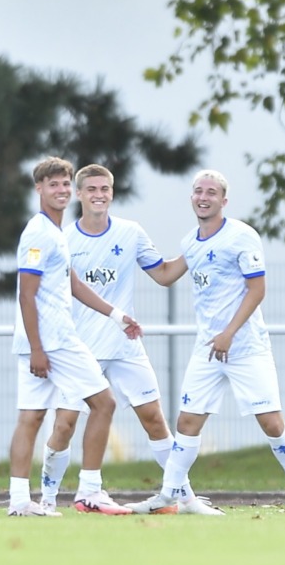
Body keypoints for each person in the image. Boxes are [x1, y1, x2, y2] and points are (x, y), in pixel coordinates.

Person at [125, 169, 285, 515]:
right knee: (187, 423)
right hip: (208, 349)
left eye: (211, 192)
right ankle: (169, 495)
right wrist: (133, 247)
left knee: (271, 423)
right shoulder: (191, 240)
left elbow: (257, 289)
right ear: (192, 198)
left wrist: (229, 333)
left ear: (223, 200)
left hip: (246, 347)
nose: (203, 197)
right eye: (198, 191)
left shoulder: (242, 236)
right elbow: (166, 275)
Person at [42, 164, 221, 515]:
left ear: (112, 192)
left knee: (154, 419)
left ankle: (184, 498)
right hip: (80, 349)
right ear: (79, 195)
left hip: (125, 345)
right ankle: (47, 500)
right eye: (91, 189)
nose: (99, 195)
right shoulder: (63, 239)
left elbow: (165, 274)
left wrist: (198, 248)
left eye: (104, 189)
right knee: (64, 424)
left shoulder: (130, 233)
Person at [7, 156, 143, 517]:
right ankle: (91, 492)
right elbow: (26, 292)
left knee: (33, 418)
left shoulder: (55, 233)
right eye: (53, 184)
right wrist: (38, 348)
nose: (62, 190)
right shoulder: (38, 232)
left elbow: (73, 283)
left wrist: (115, 315)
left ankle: (20, 501)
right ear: (39, 189)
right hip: (54, 341)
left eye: (66, 183)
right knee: (104, 403)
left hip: (45, 341)